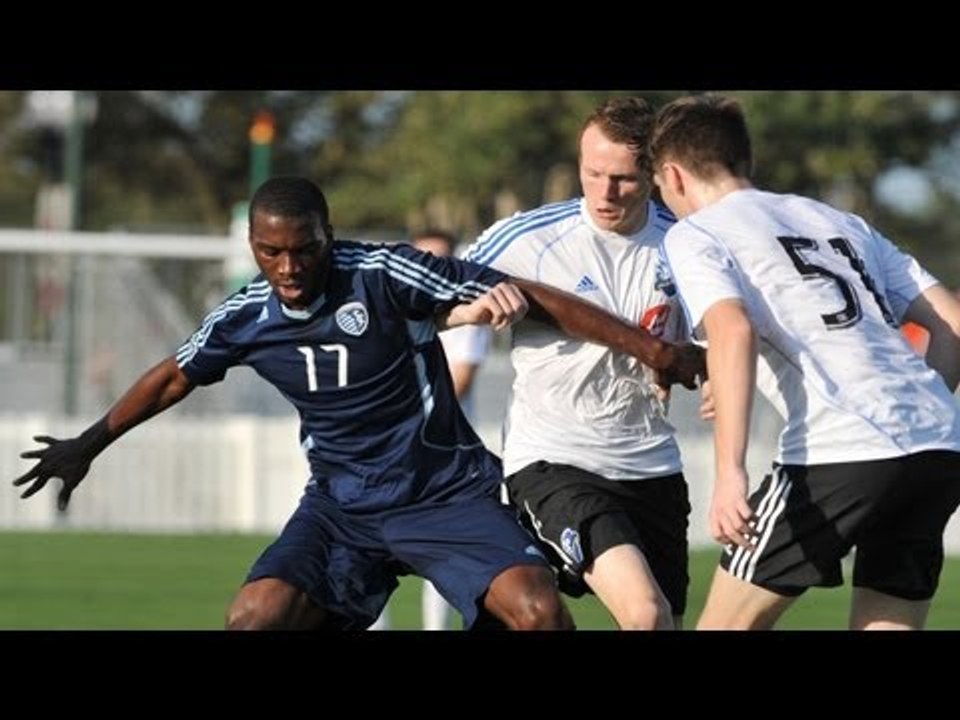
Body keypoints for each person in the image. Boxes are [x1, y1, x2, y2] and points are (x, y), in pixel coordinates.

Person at [13, 176, 703, 630]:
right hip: (342, 508)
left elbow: (533, 296)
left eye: (304, 250)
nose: (288, 269)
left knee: (537, 612)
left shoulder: (380, 273)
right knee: (255, 616)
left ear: (328, 237)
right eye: (270, 252)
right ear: (253, 246)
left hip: (446, 495)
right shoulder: (245, 316)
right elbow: (172, 376)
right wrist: (86, 445)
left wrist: (654, 351)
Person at [651, 94, 960, 630]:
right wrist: (912, 417)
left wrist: (729, 475)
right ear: (741, 159)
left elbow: (733, 330)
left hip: (841, 446)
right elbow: (953, 322)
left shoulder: (697, 233)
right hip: (938, 444)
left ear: (673, 176)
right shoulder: (838, 220)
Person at [464, 97, 698, 630]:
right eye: (592, 173)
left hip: (652, 465)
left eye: (623, 179)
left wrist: (702, 365)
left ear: (657, 174)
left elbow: (719, 338)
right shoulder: (526, 239)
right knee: (644, 611)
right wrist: (469, 312)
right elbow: (432, 295)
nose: (604, 192)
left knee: (662, 621)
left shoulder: (688, 242)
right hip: (555, 460)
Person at [370, 228, 492, 630]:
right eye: (423, 258)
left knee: (444, 557)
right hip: (385, 455)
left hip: (442, 457)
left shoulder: (469, 313)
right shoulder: (384, 309)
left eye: (440, 259)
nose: (430, 269)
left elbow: (458, 382)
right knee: (369, 554)